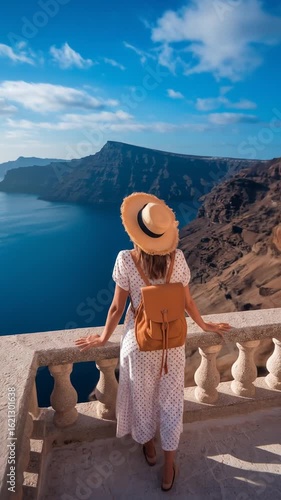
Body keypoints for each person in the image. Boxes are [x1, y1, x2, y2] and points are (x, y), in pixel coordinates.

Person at [75, 192, 231, 492]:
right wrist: (203, 324)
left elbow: (116, 308)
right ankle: (169, 467)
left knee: (143, 399)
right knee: (172, 405)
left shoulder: (126, 259)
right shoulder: (179, 259)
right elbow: (187, 302)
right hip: (170, 343)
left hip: (139, 344)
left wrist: (103, 337)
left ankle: (148, 448)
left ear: (137, 231)